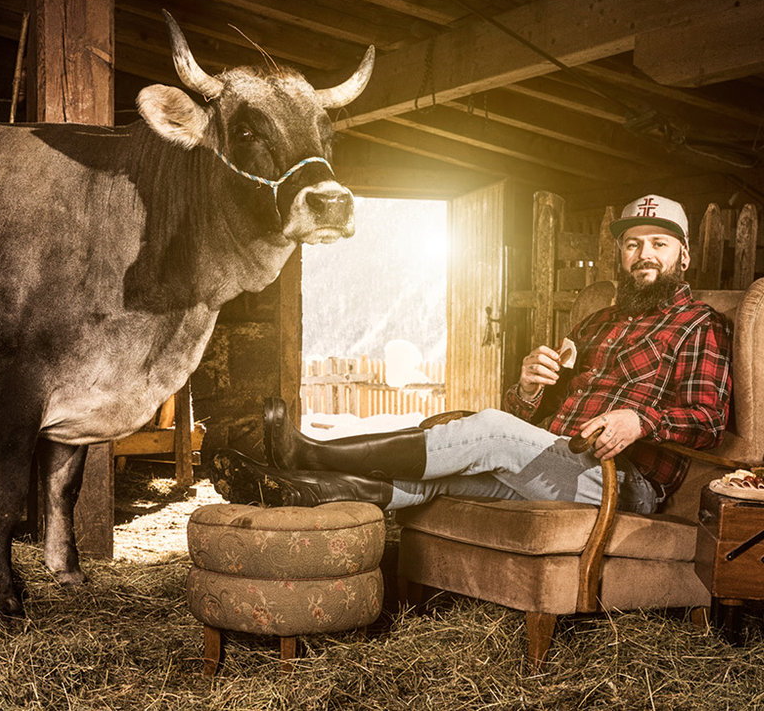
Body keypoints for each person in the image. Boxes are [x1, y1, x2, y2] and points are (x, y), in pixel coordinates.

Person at [211, 194, 733, 515]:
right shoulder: (598, 321)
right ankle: (297, 490)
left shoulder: (699, 325)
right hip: (556, 460)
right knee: (433, 481)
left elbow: (709, 420)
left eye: (659, 244)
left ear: (682, 255)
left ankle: (309, 452)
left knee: (487, 429)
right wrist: (528, 390)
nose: (644, 255)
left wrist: (641, 420)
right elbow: (528, 414)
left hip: (625, 484)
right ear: (620, 255)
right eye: (633, 244)